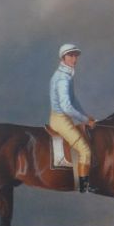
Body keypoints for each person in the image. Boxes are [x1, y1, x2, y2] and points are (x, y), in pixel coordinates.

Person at [49, 43, 97, 193]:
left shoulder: (67, 74)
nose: (74, 59)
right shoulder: (63, 79)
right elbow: (66, 107)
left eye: (76, 56)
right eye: (70, 56)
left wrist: (85, 115)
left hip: (64, 117)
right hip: (60, 119)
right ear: (63, 58)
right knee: (85, 151)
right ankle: (84, 187)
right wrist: (85, 120)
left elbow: (74, 100)